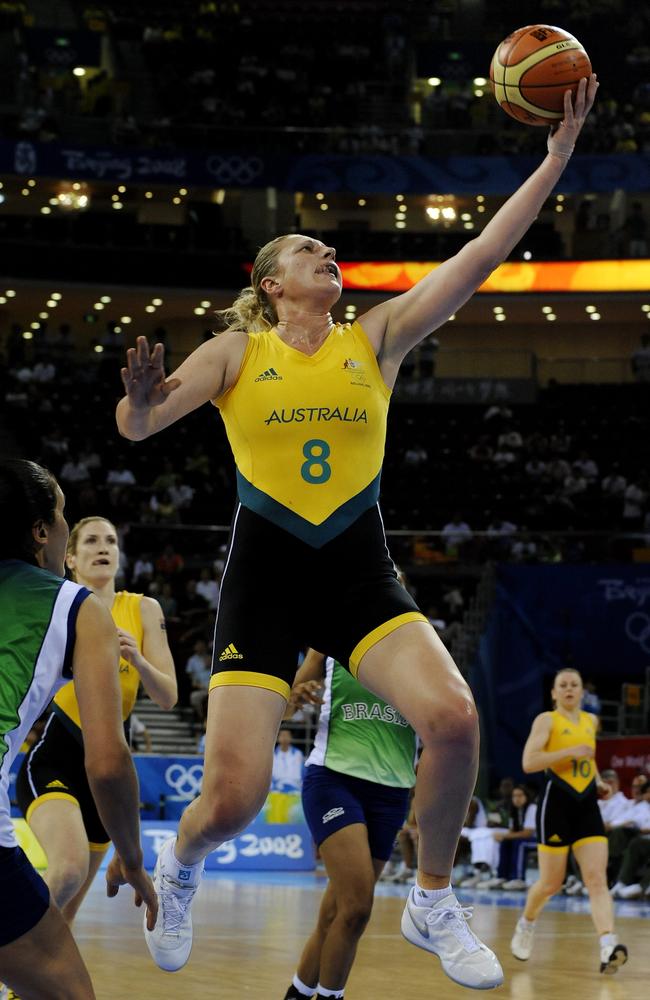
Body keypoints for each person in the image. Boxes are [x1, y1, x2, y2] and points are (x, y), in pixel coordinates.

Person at [115, 75, 596, 989]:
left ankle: (434, 897)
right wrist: (142, 405)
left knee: (454, 718)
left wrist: (556, 161)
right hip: (266, 572)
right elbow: (138, 428)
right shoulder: (236, 351)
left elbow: (481, 255)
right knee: (232, 797)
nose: (326, 250)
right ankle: (181, 863)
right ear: (269, 283)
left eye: (326, 246)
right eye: (307, 248)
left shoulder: (374, 336)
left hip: (355, 567)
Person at [0, 459, 157, 998]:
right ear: (44, 533)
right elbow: (109, 762)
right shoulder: (76, 607)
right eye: (66, 516)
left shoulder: (139, 610)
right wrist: (132, 859)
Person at [16, 515, 177, 928]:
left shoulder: (142, 608)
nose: (103, 547)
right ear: (70, 558)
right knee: (67, 870)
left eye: (110, 540)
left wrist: (136, 659)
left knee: (64, 915)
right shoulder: (58, 605)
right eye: (90, 541)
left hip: (106, 776)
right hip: (54, 759)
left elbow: (168, 697)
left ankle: (24, 986)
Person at [282, 649, 416, 1000]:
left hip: (393, 793)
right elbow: (284, 708)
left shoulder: (420, 646)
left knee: (335, 914)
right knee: (357, 908)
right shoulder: (328, 641)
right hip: (334, 780)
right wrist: (294, 696)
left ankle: (296, 994)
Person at [510, 668, 628, 975]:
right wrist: (570, 751)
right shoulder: (546, 720)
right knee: (551, 883)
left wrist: (599, 781)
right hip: (556, 803)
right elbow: (529, 761)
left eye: (574, 685)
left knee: (596, 879)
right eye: (562, 685)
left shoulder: (591, 721)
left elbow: (587, 759)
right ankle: (527, 923)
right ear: (554, 693)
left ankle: (607, 944)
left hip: (586, 802)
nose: (569, 689)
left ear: (581, 692)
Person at [272, 728, 305, 794]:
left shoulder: (298, 753)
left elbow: (303, 772)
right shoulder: (272, 754)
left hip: (295, 788)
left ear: (291, 738)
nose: (285, 738)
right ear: (278, 738)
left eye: (287, 735)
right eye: (282, 735)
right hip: (276, 788)